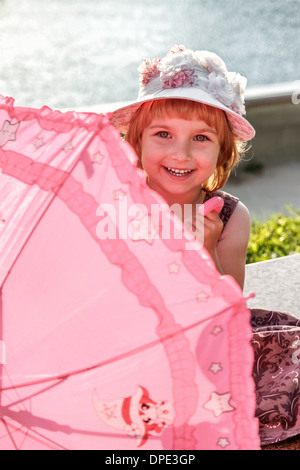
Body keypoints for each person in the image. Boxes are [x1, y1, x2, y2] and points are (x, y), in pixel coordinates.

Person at [110, 45, 300, 448]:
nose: (181, 153)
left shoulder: (229, 216)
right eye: (163, 134)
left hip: (205, 345)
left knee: (278, 377)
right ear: (136, 142)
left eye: (200, 138)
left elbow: (226, 316)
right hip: (131, 343)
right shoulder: (118, 207)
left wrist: (204, 252)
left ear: (222, 150)